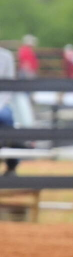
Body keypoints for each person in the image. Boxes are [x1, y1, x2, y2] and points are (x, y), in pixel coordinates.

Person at [0, 45, 18, 176]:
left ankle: (11, 165)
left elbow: (8, 88)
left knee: (6, 117)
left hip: (1, 103)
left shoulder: (6, 56)